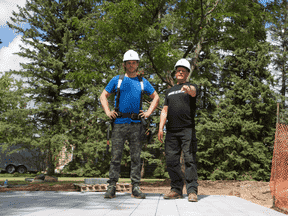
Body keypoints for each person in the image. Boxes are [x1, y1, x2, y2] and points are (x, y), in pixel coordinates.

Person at [100, 50, 159, 199]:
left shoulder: (142, 82)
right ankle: (112, 186)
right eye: (129, 63)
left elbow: (156, 97)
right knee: (116, 156)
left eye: (134, 63)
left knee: (136, 157)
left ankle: (136, 187)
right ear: (124, 64)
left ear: (137, 64)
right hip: (119, 123)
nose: (131, 65)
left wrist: (147, 113)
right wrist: (108, 112)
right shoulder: (117, 80)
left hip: (136, 124)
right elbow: (103, 96)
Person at [158, 58, 199, 202]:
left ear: (187, 74)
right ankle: (176, 189)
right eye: (178, 70)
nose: (180, 72)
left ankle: (192, 191)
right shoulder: (169, 91)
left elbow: (193, 92)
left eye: (183, 71)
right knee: (171, 160)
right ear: (175, 73)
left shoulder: (191, 86)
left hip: (187, 130)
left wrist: (188, 89)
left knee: (189, 160)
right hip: (171, 131)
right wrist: (160, 127)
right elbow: (164, 110)